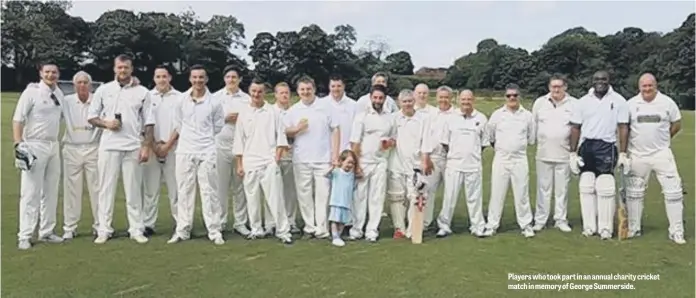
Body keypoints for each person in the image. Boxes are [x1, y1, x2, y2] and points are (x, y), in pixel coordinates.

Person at [88, 54, 154, 244]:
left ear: (131, 69)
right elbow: (92, 117)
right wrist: (106, 124)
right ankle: (104, 229)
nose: (122, 71)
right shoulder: (104, 90)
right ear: (114, 68)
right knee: (106, 190)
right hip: (109, 146)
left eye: (126, 67)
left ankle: (136, 229)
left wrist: (146, 147)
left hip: (133, 146)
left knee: (133, 190)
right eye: (119, 67)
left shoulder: (143, 92)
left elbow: (149, 122)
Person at [167, 65, 225, 245]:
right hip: (185, 150)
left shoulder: (214, 101)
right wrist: (190, 138)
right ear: (190, 79)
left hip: (207, 150)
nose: (198, 81)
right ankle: (182, 230)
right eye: (195, 77)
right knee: (184, 191)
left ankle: (214, 230)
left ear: (206, 79)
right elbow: (178, 124)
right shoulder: (181, 100)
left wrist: (203, 138)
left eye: (201, 77)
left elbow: (218, 125)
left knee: (209, 192)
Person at [569, 70, 630, 240]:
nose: (600, 82)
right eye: (597, 79)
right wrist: (572, 153)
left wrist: (623, 153)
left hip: (607, 146)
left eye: (603, 79)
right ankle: (589, 227)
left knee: (605, 186)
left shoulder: (618, 101)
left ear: (609, 80)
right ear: (592, 81)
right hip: (586, 145)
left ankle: (606, 228)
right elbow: (575, 127)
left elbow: (623, 127)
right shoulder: (582, 102)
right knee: (586, 185)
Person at [625, 73, 685, 244]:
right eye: (644, 86)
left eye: (650, 85)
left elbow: (676, 124)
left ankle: (676, 231)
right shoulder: (631, 104)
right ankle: (633, 228)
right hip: (637, 154)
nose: (647, 89)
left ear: (656, 85)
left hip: (661, 154)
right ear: (639, 87)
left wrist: (665, 140)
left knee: (673, 192)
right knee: (634, 193)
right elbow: (625, 128)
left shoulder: (667, 102)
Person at [233, 79, 293, 244]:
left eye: (259, 91)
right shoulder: (244, 113)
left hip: (268, 162)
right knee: (252, 200)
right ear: (249, 91)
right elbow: (239, 140)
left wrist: (276, 159)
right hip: (249, 162)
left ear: (264, 92)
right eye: (253, 91)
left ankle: (283, 231)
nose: (256, 94)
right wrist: (239, 164)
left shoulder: (273, 112)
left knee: (275, 199)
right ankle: (256, 229)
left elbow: (281, 138)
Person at [13, 63, 65, 249]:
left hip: (53, 145)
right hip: (34, 144)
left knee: (50, 191)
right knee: (30, 192)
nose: (51, 75)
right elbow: (18, 119)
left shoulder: (59, 93)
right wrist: (19, 144)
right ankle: (25, 235)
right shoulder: (31, 92)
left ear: (58, 74)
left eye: (54, 72)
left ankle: (47, 231)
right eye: (47, 72)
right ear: (41, 74)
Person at [284, 76, 340, 239]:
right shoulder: (293, 110)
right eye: (302, 89)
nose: (305, 92)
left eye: (308, 89)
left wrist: (335, 155)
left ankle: (322, 229)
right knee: (304, 195)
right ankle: (309, 227)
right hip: (301, 159)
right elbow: (285, 130)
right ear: (298, 91)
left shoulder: (326, 106)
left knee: (323, 195)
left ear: (314, 89)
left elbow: (336, 130)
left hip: (323, 159)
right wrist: (296, 128)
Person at [484, 84, 536, 238]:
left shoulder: (527, 116)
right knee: (497, 193)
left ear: (519, 97)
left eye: (515, 95)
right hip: (501, 158)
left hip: (520, 158)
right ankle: (492, 225)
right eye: (509, 96)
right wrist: (503, 149)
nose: (512, 98)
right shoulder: (497, 115)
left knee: (522, 193)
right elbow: (491, 137)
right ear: (505, 97)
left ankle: (526, 225)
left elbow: (531, 138)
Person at [436, 90, 489, 238]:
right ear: (459, 100)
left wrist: (472, 153)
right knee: (449, 197)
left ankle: (477, 226)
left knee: (474, 198)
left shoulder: (481, 118)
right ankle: (444, 225)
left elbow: (484, 143)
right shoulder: (451, 118)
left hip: (473, 165)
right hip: (454, 165)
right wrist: (456, 154)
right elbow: (445, 143)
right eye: (463, 99)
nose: (466, 102)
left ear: (473, 100)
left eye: (469, 99)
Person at [349, 84, 396, 242]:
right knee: (359, 197)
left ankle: (372, 230)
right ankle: (357, 229)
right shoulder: (361, 116)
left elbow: (393, 139)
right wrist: (356, 165)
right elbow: (354, 144)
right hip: (363, 161)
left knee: (377, 197)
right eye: (375, 97)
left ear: (385, 99)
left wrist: (389, 143)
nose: (377, 100)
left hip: (380, 161)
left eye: (380, 98)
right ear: (370, 97)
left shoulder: (390, 117)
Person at [531, 75, 577, 233]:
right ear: (549, 87)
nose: (556, 90)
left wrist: (574, 152)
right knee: (543, 188)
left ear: (565, 87)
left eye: (559, 86)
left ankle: (561, 219)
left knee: (561, 189)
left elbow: (578, 128)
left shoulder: (574, 104)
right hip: (543, 153)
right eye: (553, 86)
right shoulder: (540, 103)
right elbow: (534, 125)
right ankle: (540, 220)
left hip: (564, 154)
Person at [387, 89, 432, 239]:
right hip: (397, 164)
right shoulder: (394, 118)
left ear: (414, 101)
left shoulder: (423, 119)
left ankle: (414, 230)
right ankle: (399, 228)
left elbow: (426, 142)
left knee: (416, 197)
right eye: (404, 101)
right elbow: (388, 138)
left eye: (409, 101)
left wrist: (425, 161)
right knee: (397, 197)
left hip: (416, 165)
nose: (407, 104)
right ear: (399, 103)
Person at [142, 65, 181, 236]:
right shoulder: (147, 97)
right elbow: (143, 123)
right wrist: (154, 145)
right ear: (154, 79)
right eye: (158, 77)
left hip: (173, 148)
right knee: (150, 189)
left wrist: (167, 145)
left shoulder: (180, 97)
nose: (161, 80)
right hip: (152, 148)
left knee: (176, 188)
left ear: (170, 78)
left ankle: (181, 222)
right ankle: (148, 224)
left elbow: (181, 124)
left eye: (164, 76)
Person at [61, 71, 102, 240]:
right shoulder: (67, 101)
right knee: (72, 189)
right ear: (74, 85)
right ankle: (70, 227)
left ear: (90, 85)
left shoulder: (98, 101)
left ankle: (100, 225)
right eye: (79, 83)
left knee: (97, 188)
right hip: (72, 148)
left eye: (85, 82)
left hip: (94, 148)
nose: (82, 86)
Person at [214, 65, 251, 236]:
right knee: (220, 187)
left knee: (239, 187)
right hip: (220, 145)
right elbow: (209, 120)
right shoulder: (215, 97)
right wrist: (225, 118)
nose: (231, 80)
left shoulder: (246, 98)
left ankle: (240, 222)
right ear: (224, 79)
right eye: (228, 77)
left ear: (239, 79)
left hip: (240, 148)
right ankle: (220, 221)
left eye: (234, 77)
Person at [421, 86, 456, 230]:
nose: (443, 100)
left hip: (451, 159)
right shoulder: (430, 115)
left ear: (451, 98)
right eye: (441, 97)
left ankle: (444, 223)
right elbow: (425, 138)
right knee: (428, 190)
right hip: (434, 158)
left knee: (450, 191)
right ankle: (424, 222)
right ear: (436, 98)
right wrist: (426, 158)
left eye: (446, 97)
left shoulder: (457, 115)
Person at [272, 82, 300, 234]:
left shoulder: (295, 111)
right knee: (274, 190)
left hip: (291, 156)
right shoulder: (270, 112)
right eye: (281, 93)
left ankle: (291, 220)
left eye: (286, 93)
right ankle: (273, 222)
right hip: (274, 156)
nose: (284, 95)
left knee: (290, 191)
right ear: (275, 95)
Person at [326, 150, 361, 247]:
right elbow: (326, 175)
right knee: (335, 219)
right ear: (341, 161)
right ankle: (335, 236)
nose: (350, 165)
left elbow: (357, 180)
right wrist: (333, 167)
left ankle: (339, 235)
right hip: (336, 201)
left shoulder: (352, 175)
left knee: (343, 221)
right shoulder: (337, 172)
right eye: (348, 162)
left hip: (346, 202)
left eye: (352, 163)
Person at [321, 74, 357, 151]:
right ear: (329, 87)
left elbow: (356, 130)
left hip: (347, 151)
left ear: (344, 86)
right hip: (325, 152)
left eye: (339, 86)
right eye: (333, 86)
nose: (336, 89)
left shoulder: (353, 105)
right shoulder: (321, 104)